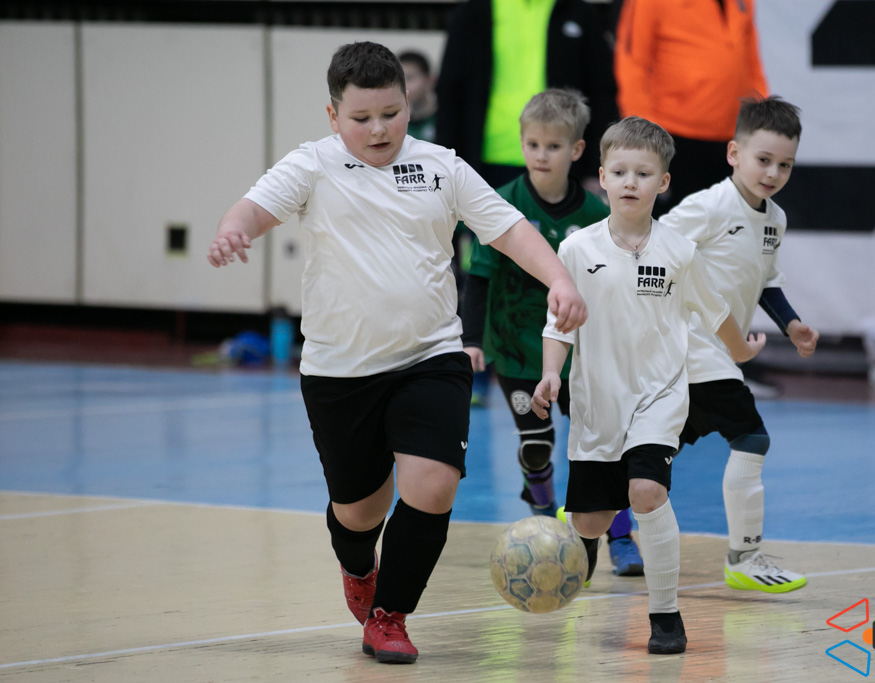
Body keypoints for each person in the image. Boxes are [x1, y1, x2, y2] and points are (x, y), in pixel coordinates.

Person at [206, 41, 587, 665]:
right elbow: (254, 209)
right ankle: (359, 567)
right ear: (333, 115)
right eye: (361, 118)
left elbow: (509, 228)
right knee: (360, 512)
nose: (379, 129)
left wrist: (560, 280)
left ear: (409, 103)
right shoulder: (312, 165)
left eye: (391, 113)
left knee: (433, 487)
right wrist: (233, 229)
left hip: (430, 357)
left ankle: (390, 616)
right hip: (339, 370)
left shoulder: (441, 166)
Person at [531, 116, 765, 654]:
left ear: (663, 182)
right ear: (602, 178)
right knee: (590, 520)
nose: (630, 182)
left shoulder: (680, 251)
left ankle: (665, 615)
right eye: (619, 172)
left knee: (647, 492)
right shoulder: (577, 249)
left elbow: (716, 312)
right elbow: (558, 325)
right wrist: (550, 373)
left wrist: (741, 350)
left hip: (660, 398)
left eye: (643, 173)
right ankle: (584, 546)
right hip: (597, 406)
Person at [462, 88, 644, 577]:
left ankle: (621, 535)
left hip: (581, 355)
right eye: (533, 145)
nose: (541, 155)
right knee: (537, 444)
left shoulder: (596, 216)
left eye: (554, 146)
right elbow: (478, 277)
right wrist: (472, 340)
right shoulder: (501, 206)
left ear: (577, 150)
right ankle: (545, 520)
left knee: (602, 449)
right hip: (517, 351)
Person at [659, 95, 816, 593]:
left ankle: (593, 504)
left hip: (718, 351)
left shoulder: (775, 220)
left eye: (785, 165)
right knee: (752, 438)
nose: (773, 173)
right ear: (734, 153)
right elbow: (654, 248)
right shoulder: (708, 206)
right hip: (690, 347)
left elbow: (765, 279)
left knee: (658, 449)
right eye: (763, 159)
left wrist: (792, 325)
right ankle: (744, 558)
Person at [435, 0, 618, 190]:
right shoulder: (471, 12)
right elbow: (449, 92)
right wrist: (445, 164)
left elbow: (601, 92)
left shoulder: (580, 12)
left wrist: (595, 166)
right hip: (486, 161)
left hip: (562, 161)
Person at [614, 0, 768, 215]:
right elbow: (632, 62)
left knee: (726, 227)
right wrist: (643, 136)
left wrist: (762, 118)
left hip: (734, 139)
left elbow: (751, 61)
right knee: (672, 228)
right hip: (673, 139)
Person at [399, 51, 437, 142]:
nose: (403, 86)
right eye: (398, 79)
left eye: (409, 78)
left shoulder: (448, 120)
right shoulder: (393, 123)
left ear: (430, 80)